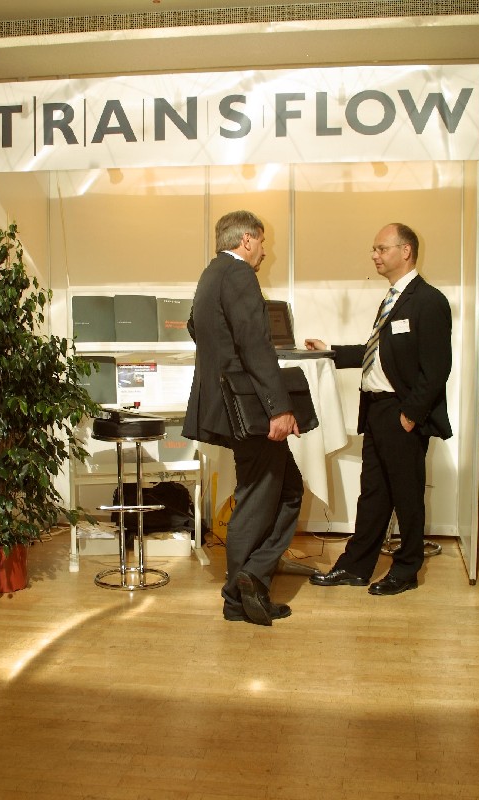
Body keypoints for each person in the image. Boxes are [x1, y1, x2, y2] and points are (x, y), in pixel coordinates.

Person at [306, 222, 452, 596]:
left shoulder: (428, 301)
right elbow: (379, 352)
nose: (374, 255)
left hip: (401, 413)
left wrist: (411, 415)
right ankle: (355, 567)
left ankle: (406, 571)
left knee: (407, 496)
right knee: (373, 493)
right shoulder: (392, 299)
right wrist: (331, 351)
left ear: (406, 251)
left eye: (381, 248)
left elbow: (437, 369)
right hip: (375, 411)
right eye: (374, 249)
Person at [182, 210, 304, 625]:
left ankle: (247, 584)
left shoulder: (210, 274)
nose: (264, 251)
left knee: (285, 488)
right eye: (262, 242)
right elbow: (255, 345)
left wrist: (224, 364)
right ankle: (242, 589)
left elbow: (196, 327)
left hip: (227, 407)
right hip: (251, 410)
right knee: (259, 496)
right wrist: (280, 408)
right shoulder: (239, 275)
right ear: (247, 240)